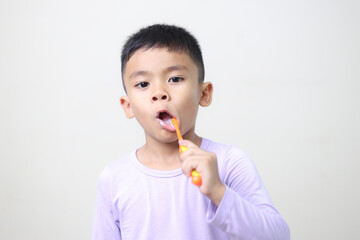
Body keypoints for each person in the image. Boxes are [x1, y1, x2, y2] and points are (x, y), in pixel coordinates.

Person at [92, 24, 290, 240]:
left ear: (203, 94)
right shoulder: (113, 179)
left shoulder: (229, 163)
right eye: (143, 83)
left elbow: (277, 236)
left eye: (175, 79)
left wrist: (217, 190)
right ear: (127, 105)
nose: (159, 93)